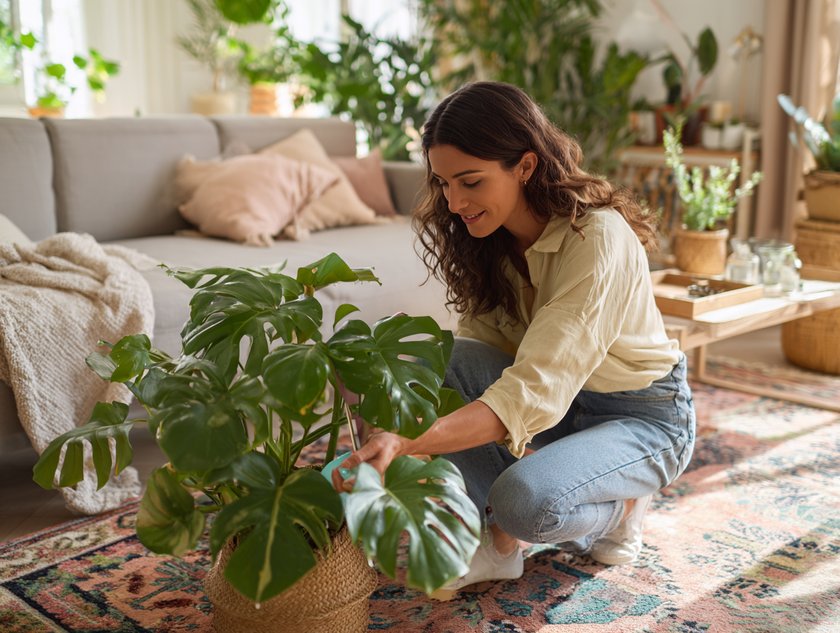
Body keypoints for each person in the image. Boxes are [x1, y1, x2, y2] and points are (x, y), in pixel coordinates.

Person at [333, 81, 696, 594]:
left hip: (641, 417)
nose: (455, 202)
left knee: (524, 504)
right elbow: (474, 358)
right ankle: (493, 538)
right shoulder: (492, 243)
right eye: (444, 184)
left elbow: (533, 389)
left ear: (525, 166)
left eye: (471, 182)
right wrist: (391, 399)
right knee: (439, 359)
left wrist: (410, 441)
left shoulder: (597, 239)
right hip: (561, 408)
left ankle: (619, 510)